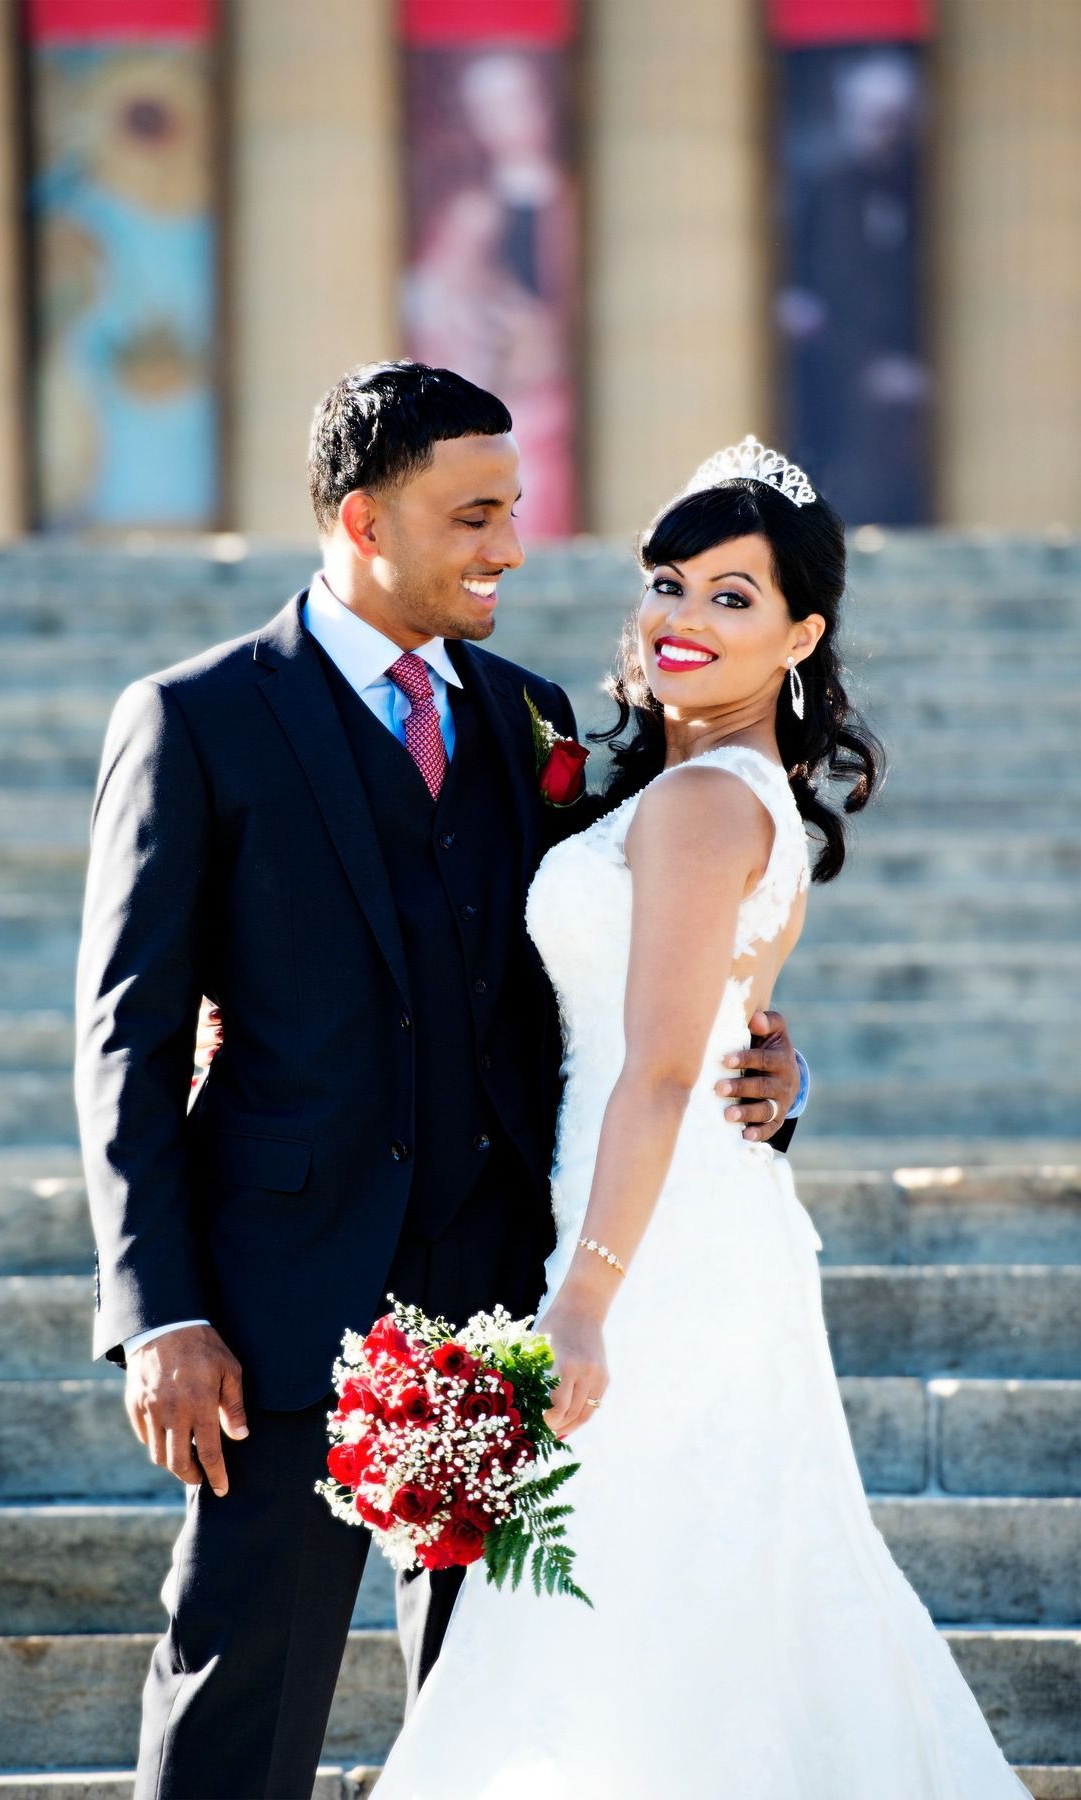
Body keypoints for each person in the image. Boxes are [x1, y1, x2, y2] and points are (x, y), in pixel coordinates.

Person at [74, 367, 806, 1800]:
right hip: (280, 1306)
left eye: (512, 511)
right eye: (474, 516)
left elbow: (626, 965)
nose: (511, 549)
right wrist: (159, 1308)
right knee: (241, 1689)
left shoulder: (534, 722)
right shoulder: (197, 718)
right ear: (363, 517)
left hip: (503, 1299)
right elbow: (129, 1038)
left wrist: (756, 1056)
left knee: (499, 1717)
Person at [370, 436, 1032, 1798]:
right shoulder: (743, 797)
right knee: (705, 1606)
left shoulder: (694, 807)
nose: (683, 618)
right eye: (670, 583)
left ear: (803, 634)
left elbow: (664, 1071)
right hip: (696, 1221)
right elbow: (716, 1038)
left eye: (735, 597)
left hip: (649, 1248)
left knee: (631, 1622)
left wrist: (586, 1302)